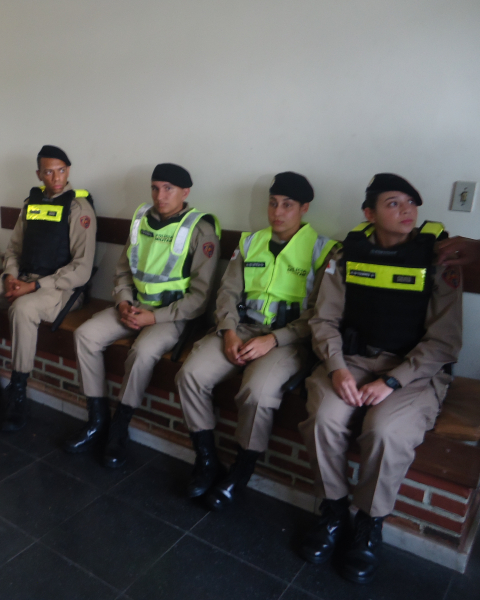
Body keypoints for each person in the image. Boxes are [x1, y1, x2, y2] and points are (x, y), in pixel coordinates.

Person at [299, 173, 462, 584]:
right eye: (394, 203)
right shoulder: (347, 252)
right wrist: (336, 366)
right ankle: (334, 510)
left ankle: (369, 523)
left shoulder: (438, 257)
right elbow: (324, 318)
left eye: (411, 203)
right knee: (323, 418)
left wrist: (392, 382)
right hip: (352, 359)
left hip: (414, 370)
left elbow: (445, 341)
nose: (407, 210)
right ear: (369, 214)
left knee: (386, 430)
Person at [176, 172, 338, 505]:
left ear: (304, 208)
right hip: (242, 329)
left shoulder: (324, 250)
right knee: (190, 374)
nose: (277, 212)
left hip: (288, 339)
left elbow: (320, 314)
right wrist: (228, 331)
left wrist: (274, 340)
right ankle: (206, 459)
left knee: (258, 392)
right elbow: (228, 293)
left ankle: (241, 469)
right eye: (273, 203)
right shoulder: (251, 242)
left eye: (288, 205)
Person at [66, 163, 221, 468]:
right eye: (155, 188)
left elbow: (200, 298)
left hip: (171, 317)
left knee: (143, 351)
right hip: (133, 307)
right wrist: (123, 302)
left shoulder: (200, 229)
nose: (159, 196)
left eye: (168, 189)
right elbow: (124, 270)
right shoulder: (141, 219)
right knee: (85, 335)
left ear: (185, 192)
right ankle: (96, 419)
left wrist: (153, 318)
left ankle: (120, 426)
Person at [0, 145, 96, 432]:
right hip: (24, 280)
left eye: (61, 171)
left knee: (23, 308)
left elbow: (82, 268)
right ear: (39, 174)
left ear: (68, 171)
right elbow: (14, 249)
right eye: (49, 172)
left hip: (60, 289)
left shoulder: (79, 208)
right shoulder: (31, 203)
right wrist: (10, 277)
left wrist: (35, 285)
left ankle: (18, 390)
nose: (56, 178)